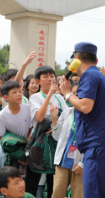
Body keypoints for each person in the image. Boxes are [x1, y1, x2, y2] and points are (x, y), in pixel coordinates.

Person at [59, 42, 105, 198]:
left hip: (98, 147)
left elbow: (85, 106)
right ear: (96, 60)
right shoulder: (100, 76)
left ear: (76, 59)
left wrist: (67, 93)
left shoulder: (89, 75)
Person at [27, 65, 68, 197]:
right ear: (38, 81)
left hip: (56, 142)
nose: (50, 79)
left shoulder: (60, 98)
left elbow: (66, 117)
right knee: (33, 180)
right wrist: (49, 94)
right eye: (45, 77)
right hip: (39, 143)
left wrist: (55, 125)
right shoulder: (35, 98)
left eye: (52, 76)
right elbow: (39, 117)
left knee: (53, 183)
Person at [50, 82, 83, 198]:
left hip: (80, 163)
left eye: (79, 93)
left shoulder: (91, 115)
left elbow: (94, 142)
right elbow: (57, 137)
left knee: (78, 194)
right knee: (57, 193)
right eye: (74, 93)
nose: (77, 96)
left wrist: (83, 163)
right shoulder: (67, 112)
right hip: (63, 160)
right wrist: (54, 120)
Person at [0, 81, 32, 168]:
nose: (19, 94)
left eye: (19, 91)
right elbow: (1, 137)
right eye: (14, 92)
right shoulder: (1, 115)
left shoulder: (28, 109)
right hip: (13, 152)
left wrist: (26, 149)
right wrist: (17, 154)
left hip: (30, 148)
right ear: (6, 97)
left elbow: (31, 128)